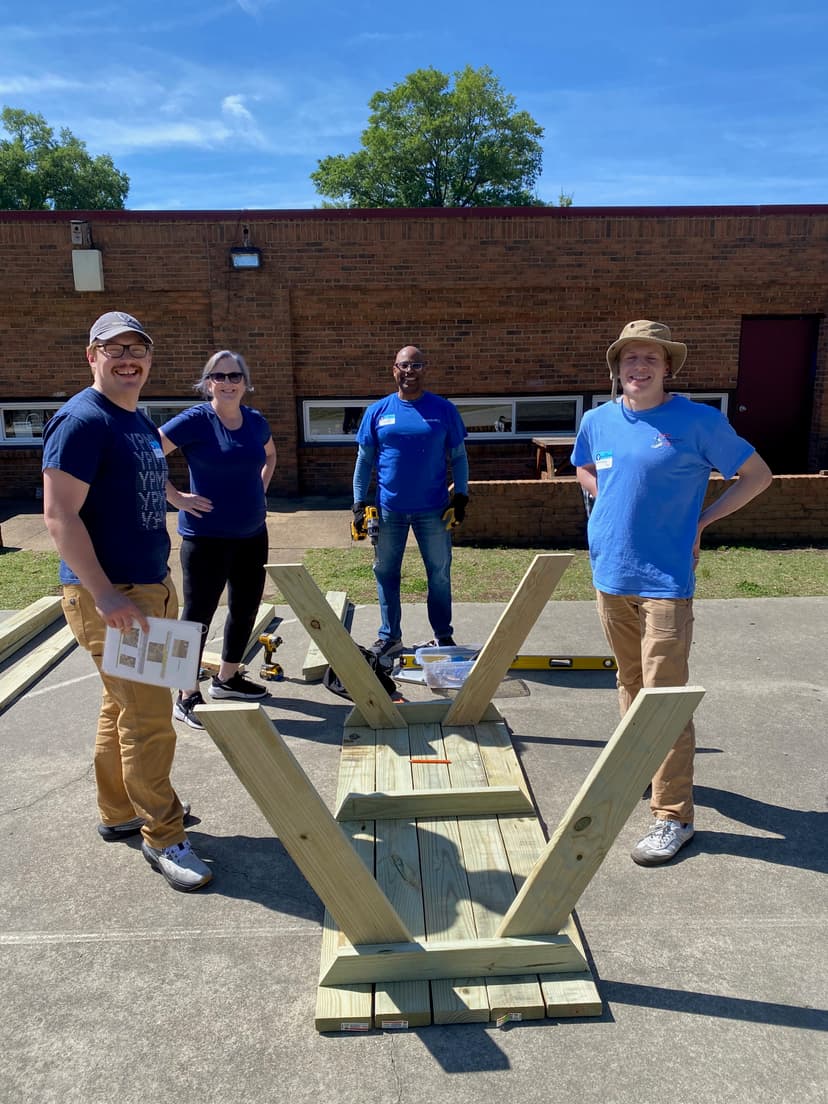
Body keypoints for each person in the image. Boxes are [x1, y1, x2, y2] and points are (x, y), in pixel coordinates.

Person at [572, 320, 772, 866]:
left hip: (664, 583)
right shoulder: (597, 420)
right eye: (629, 359)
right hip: (609, 575)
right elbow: (584, 466)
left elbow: (757, 476)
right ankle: (642, 767)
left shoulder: (698, 421)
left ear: (667, 368)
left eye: (650, 359)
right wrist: (605, 495)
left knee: (664, 700)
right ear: (617, 368)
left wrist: (701, 522)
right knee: (630, 683)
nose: (638, 368)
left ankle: (673, 816)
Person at [42, 311, 212, 892]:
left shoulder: (135, 418)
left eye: (137, 348)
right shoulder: (81, 420)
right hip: (115, 596)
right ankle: (163, 836)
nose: (127, 358)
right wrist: (106, 594)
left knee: (122, 708)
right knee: (149, 720)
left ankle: (119, 812)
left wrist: (175, 496)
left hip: (147, 586)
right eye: (113, 349)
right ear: (92, 356)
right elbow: (59, 516)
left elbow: (138, 478)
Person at [159, 350, 276, 729]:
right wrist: (176, 497)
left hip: (252, 534)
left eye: (234, 376)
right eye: (219, 376)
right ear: (208, 382)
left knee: (245, 608)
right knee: (196, 618)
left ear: (245, 382)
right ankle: (185, 695)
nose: (227, 382)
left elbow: (270, 455)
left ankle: (226, 679)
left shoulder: (255, 421)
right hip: (206, 537)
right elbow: (148, 454)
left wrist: (259, 491)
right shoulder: (196, 420)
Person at [353, 344, 469, 659]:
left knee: (439, 573)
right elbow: (364, 462)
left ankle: (443, 636)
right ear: (394, 370)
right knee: (386, 572)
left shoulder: (443, 410)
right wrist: (358, 504)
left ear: (424, 369)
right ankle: (390, 637)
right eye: (404, 365)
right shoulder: (377, 411)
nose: (409, 371)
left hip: (434, 510)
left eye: (416, 365)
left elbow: (459, 457)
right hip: (389, 511)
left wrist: (460, 496)